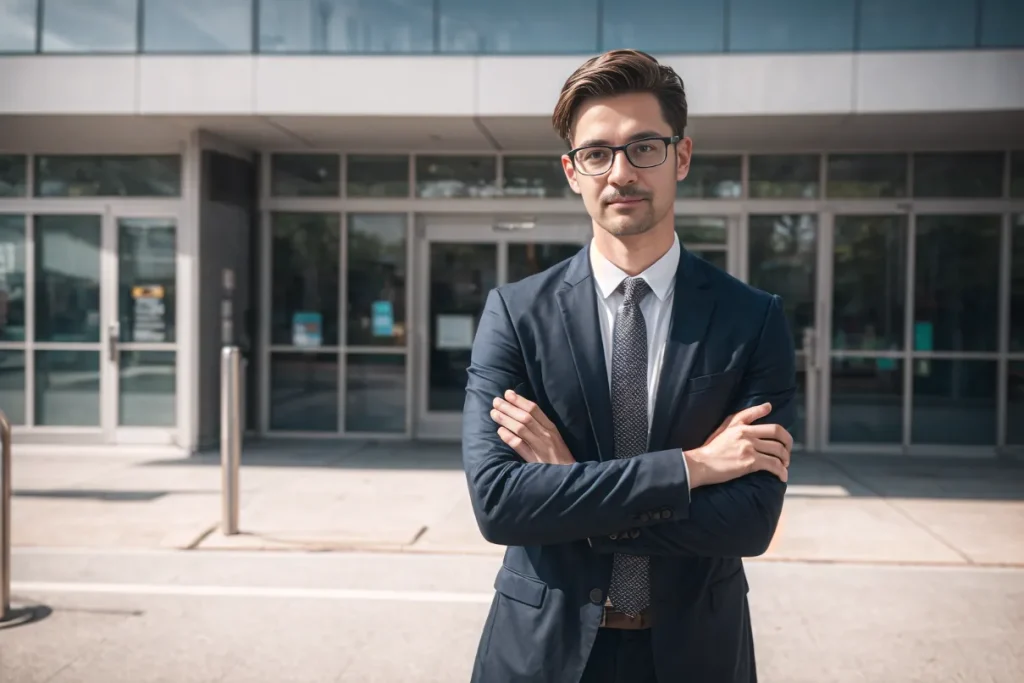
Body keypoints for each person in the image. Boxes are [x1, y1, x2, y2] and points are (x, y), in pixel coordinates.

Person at [461, 49, 797, 683]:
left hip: (696, 652)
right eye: (597, 153)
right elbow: (500, 504)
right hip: (542, 650)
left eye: (645, 147)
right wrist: (692, 469)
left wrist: (572, 492)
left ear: (682, 157)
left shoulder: (751, 318)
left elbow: (749, 522)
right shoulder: (515, 313)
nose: (621, 172)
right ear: (572, 170)